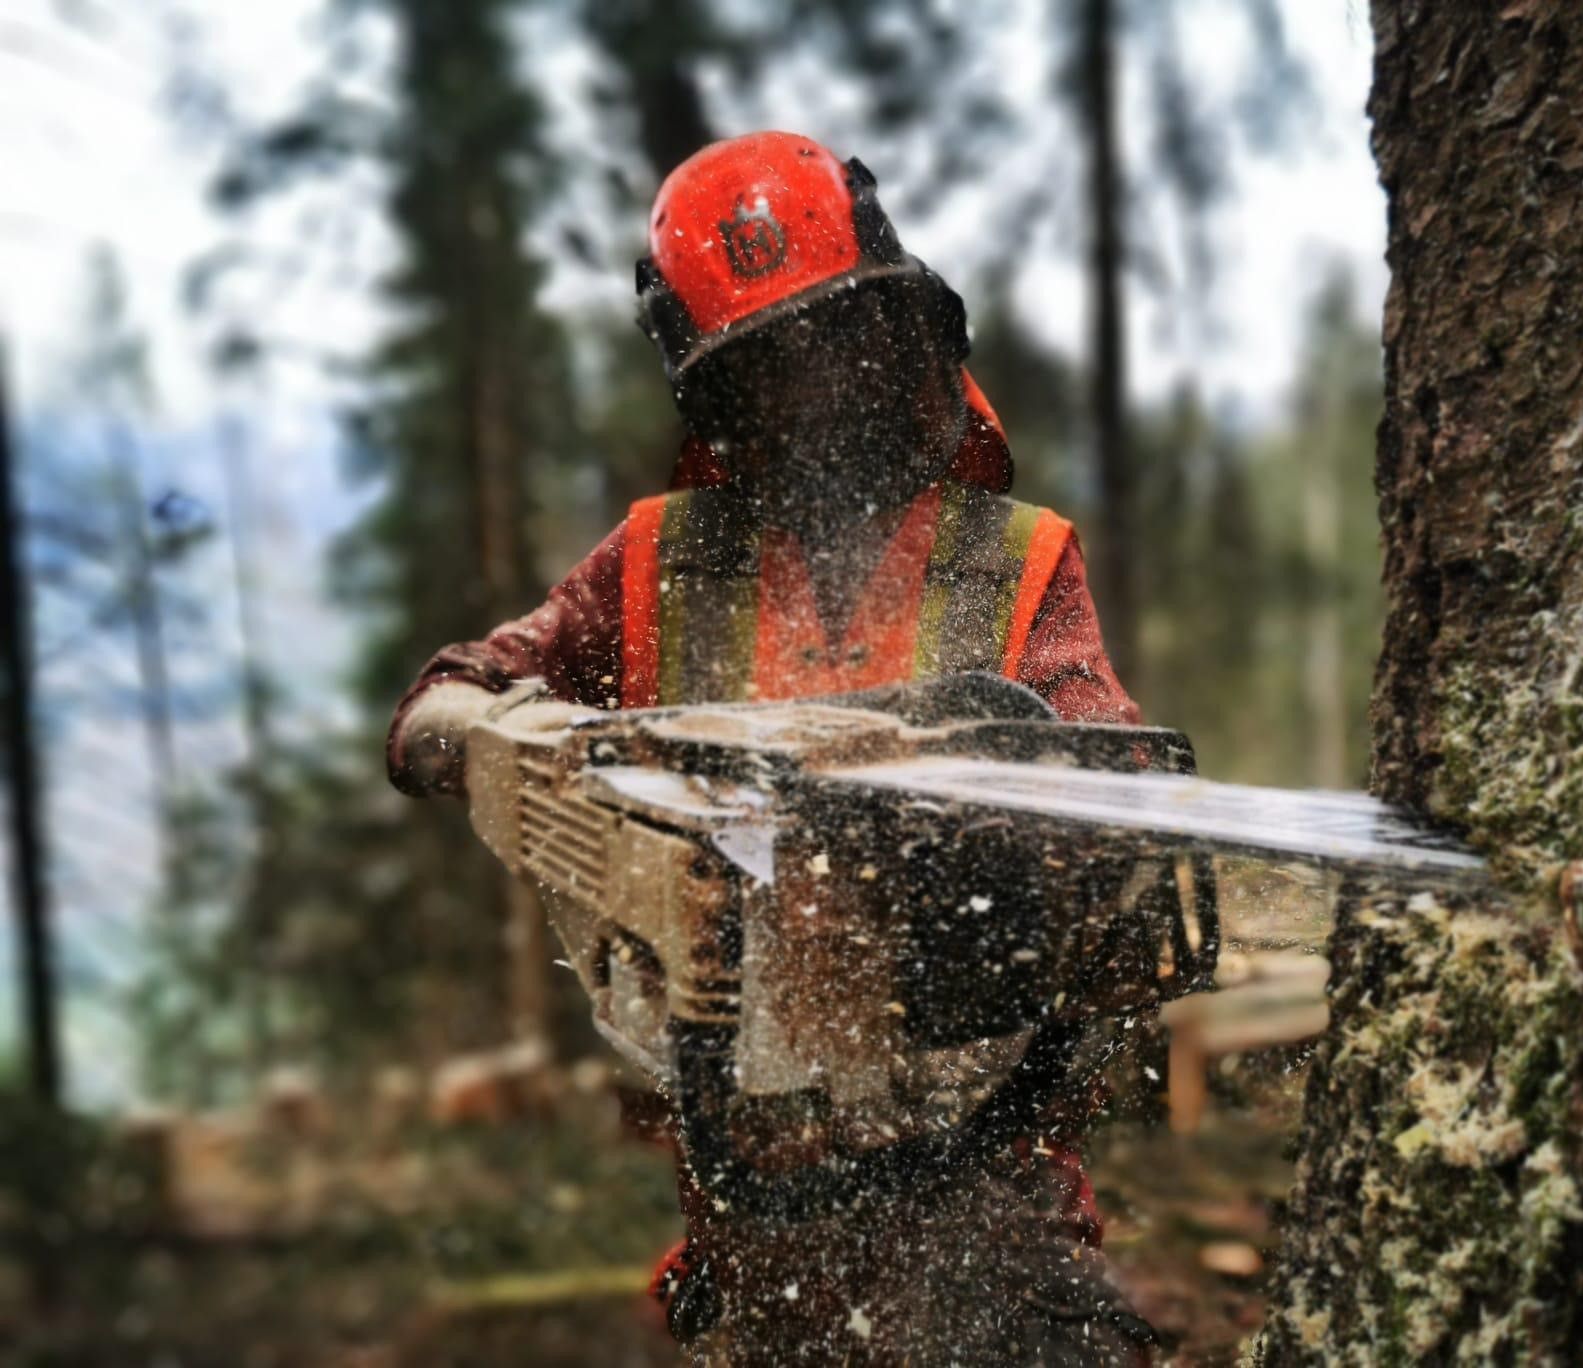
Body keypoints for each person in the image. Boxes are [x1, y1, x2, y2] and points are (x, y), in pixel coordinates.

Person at [387, 131, 1155, 1364]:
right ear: (720, 388)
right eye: (777, 365)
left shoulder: (1018, 558)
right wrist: (518, 745)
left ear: (902, 334)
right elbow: (446, 700)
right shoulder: (653, 564)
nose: (819, 388)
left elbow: (1112, 761)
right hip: (755, 1175)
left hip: (985, 1152)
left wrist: (1006, 817)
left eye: (842, 341)